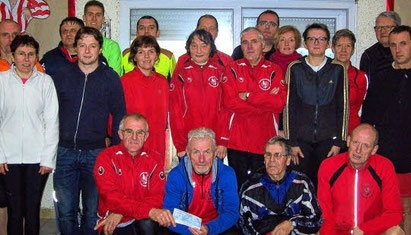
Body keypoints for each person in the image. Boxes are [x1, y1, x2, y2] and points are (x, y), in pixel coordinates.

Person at [52, 26, 126, 235]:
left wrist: (115, 149)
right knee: (66, 211)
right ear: (75, 48)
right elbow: (49, 113)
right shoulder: (61, 75)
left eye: (92, 46)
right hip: (64, 153)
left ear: (100, 49)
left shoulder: (110, 77)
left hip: (97, 154)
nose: (87, 51)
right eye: (82, 45)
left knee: (92, 212)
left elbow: (120, 115)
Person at [0, 34, 59, 235]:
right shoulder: (2, 81)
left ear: (36, 57)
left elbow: (52, 123)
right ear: (13, 56)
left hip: (37, 159)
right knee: (15, 211)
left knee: (32, 211)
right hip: (8, 158)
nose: (26, 59)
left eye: (31, 54)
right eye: (21, 54)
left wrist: (47, 159)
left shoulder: (45, 82)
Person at [283, 23, 349, 185]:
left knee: (326, 185)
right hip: (301, 141)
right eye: (312, 39)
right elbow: (288, 106)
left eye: (321, 39)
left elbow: (343, 106)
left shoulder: (338, 69)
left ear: (327, 43)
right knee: (300, 184)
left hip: (328, 141)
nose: (317, 43)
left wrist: (338, 142)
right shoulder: (295, 68)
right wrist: (291, 142)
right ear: (305, 43)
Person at [222, 27, 286, 189]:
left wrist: (249, 96)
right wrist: (265, 102)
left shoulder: (274, 70)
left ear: (263, 45)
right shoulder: (232, 69)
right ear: (241, 46)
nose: (249, 46)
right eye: (245, 42)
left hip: (265, 141)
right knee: (239, 187)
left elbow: (278, 104)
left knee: (263, 188)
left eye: (254, 42)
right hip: (237, 141)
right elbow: (230, 102)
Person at [362, 25, 411, 234]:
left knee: (407, 208)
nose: (397, 49)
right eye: (393, 45)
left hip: (409, 156)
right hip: (385, 155)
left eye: (403, 44)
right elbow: (368, 117)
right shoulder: (381, 76)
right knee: (386, 210)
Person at [317, 124, 404, 235]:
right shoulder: (328, 166)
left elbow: (394, 212)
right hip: (338, 231)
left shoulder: (384, 166)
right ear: (348, 141)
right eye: (355, 143)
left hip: (371, 231)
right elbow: (325, 213)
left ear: (374, 149)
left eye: (365, 146)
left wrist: (364, 230)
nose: (358, 150)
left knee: (396, 232)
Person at [94, 113, 172, 235]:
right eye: (129, 131)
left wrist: (123, 212)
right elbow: (111, 198)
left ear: (146, 136)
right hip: (114, 221)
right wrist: (145, 210)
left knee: (151, 224)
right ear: (120, 134)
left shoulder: (155, 158)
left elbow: (158, 196)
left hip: (136, 218)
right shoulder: (106, 157)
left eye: (140, 133)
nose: (134, 137)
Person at [163, 128, 239, 235]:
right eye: (196, 152)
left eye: (207, 152)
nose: (201, 159)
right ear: (188, 154)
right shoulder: (176, 176)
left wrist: (209, 229)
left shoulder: (227, 174)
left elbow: (231, 212)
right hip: (186, 229)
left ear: (214, 153)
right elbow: (170, 212)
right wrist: (194, 232)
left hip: (215, 227)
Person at [239, 136, 322, 234]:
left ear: (288, 160)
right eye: (268, 155)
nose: (272, 160)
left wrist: (292, 224)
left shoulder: (302, 183)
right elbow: (243, 225)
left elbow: (316, 220)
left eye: (277, 155)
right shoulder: (249, 188)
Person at [169, 29, 229, 159]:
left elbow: (225, 109)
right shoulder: (181, 73)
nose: (199, 50)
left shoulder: (221, 71)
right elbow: (175, 110)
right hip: (188, 144)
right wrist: (180, 144)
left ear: (211, 48)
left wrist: (223, 141)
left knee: (214, 179)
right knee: (189, 179)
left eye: (204, 46)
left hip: (215, 143)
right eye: (194, 46)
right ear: (189, 48)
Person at [120, 36, 169, 169]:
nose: (146, 56)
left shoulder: (163, 82)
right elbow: (115, 118)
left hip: (157, 146)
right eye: (141, 52)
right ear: (134, 57)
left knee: (155, 186)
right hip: (132, 145)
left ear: (157, 55)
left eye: (151, 51)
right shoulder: (124, 82)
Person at [332, 29, 368, 135]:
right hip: (327, 132)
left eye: (348, 46)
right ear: (333, 48)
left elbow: (357, 106)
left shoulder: (360, 77)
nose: (343, 50)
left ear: (353, 50)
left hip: (351, 132)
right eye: (339, 46)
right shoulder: (323, 73)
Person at [121, 15, 176, 81]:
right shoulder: (126, 55)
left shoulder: (168, 56)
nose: (146, 31)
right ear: (137, 33)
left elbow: (174, 85)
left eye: (151, 28)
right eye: (142, 28)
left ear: (158, 33)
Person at [360, 11, 401, 86]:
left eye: (388, 27)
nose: (382, 31)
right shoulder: (369, 56)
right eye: (379, 28)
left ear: (398, 29)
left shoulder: (406, 52)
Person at [83, 0, 122, 75]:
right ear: (84, 18)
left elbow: (114, 77)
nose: (94, 18)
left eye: (98, 15)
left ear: (103, 19)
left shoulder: (112, 47)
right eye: (90, 14)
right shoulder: (76, 43)